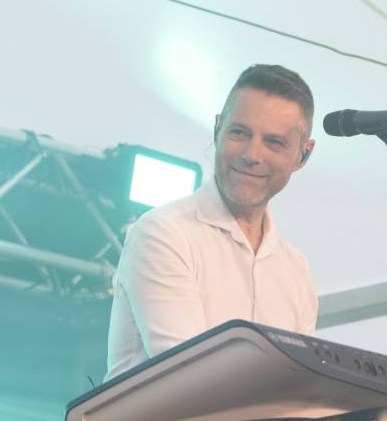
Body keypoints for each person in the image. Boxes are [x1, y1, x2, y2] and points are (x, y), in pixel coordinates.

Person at [104, 64, 318, 380]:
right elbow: (192, 377)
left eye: (274, 142)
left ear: (303, 154)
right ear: (218, 128)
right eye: (239, 132)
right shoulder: (164, 233)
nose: (252, 154)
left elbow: (298, 388)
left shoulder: (296, 270)